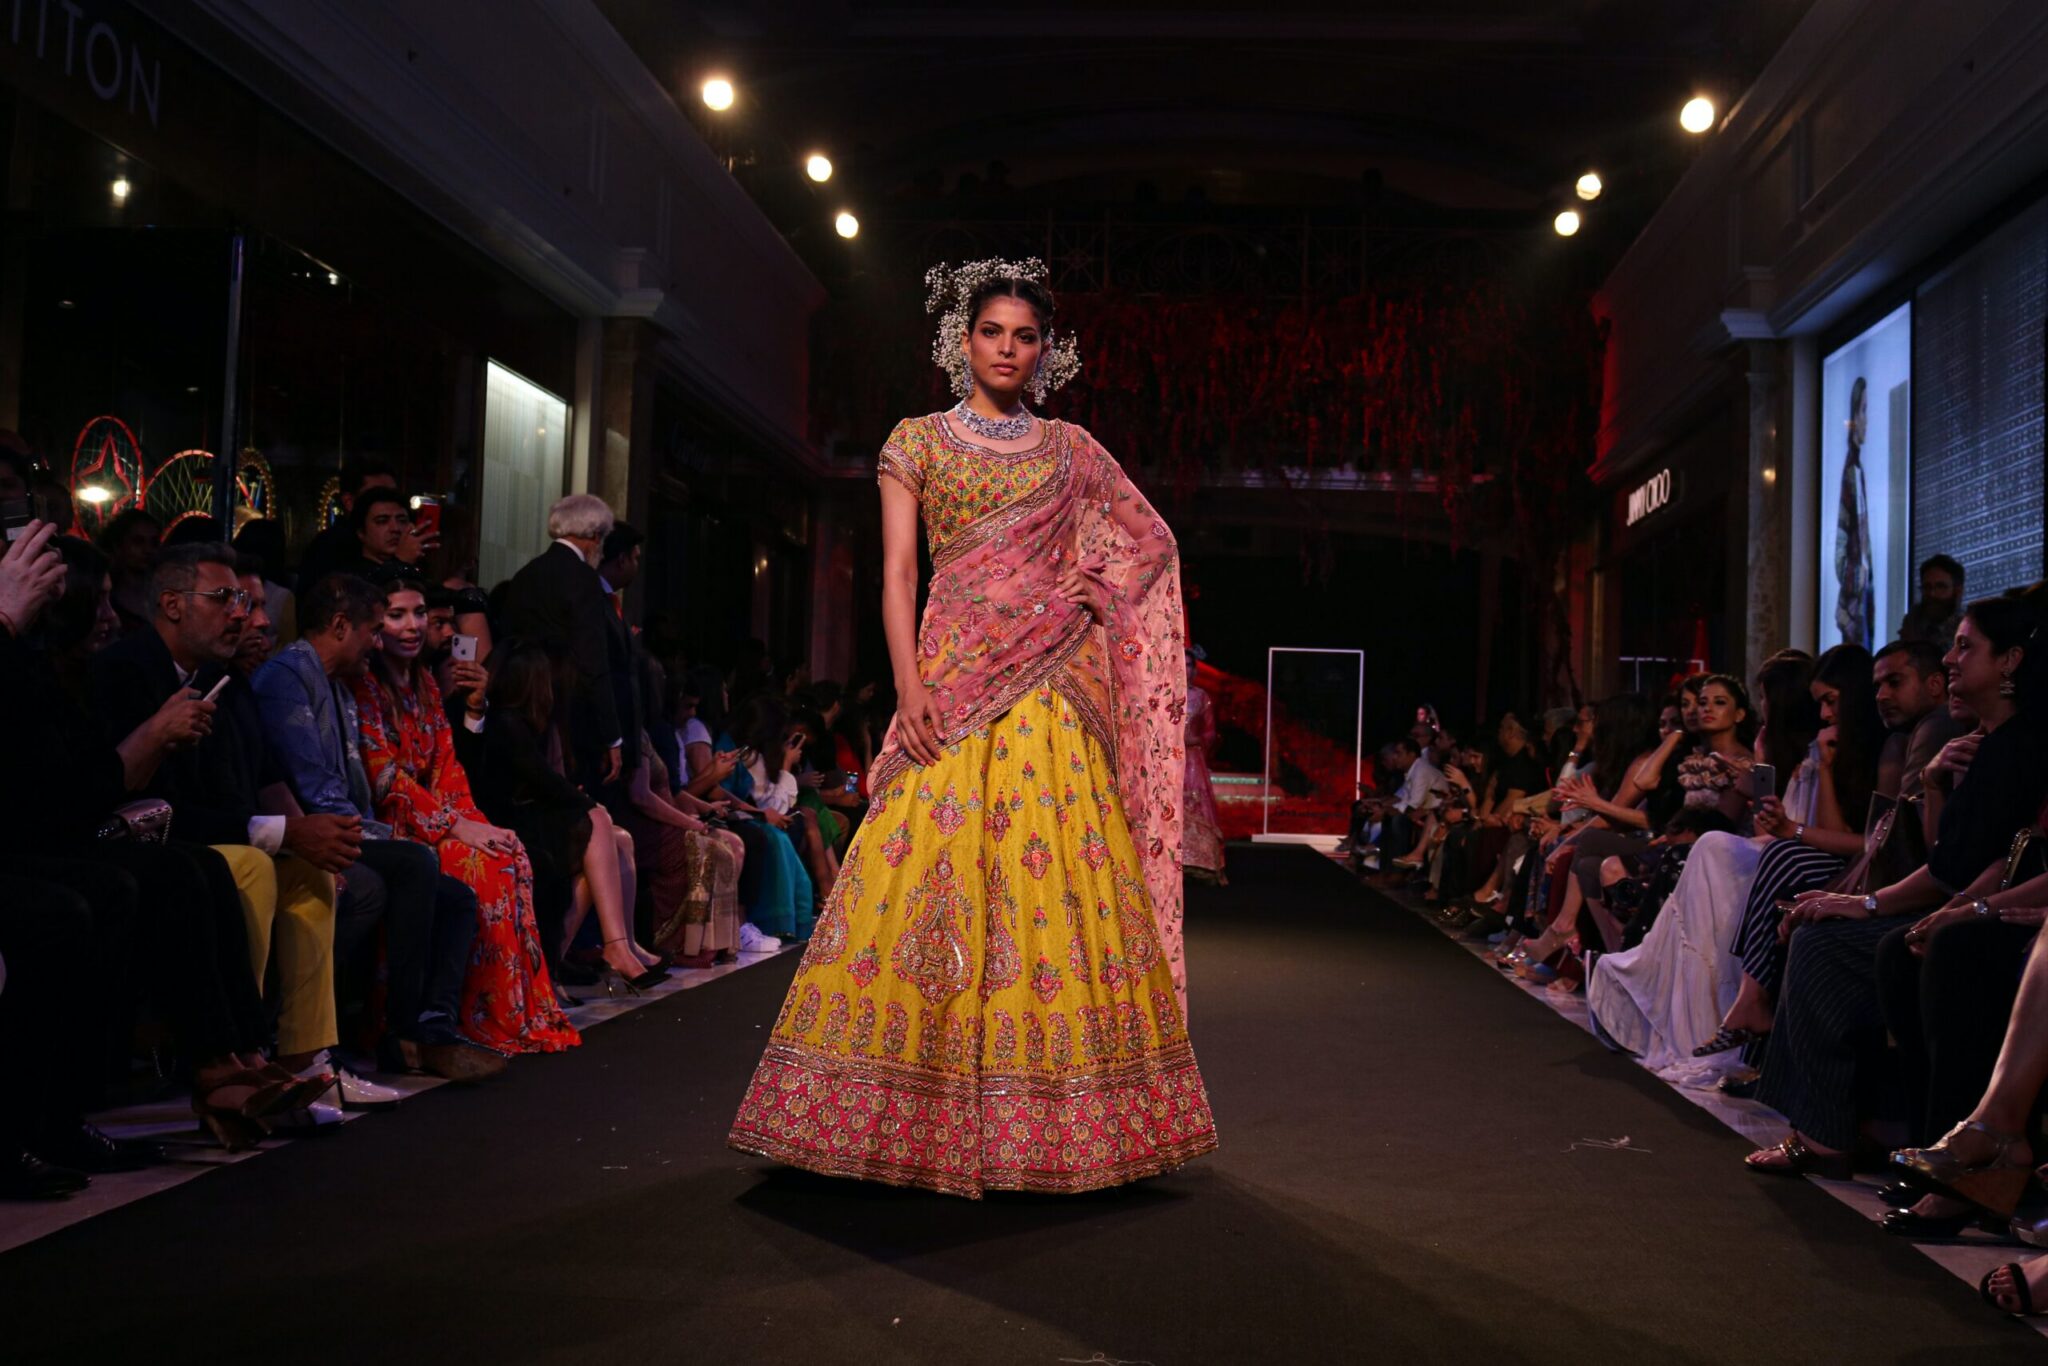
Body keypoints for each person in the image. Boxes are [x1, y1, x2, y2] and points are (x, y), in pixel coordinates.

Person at [727, 258, 1218, 1196]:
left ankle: (1065, 1126)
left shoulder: (1073, 450)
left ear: (1046, 351)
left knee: (1056, 889)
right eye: (992, 332)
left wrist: (1098, 586)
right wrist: (907, 687)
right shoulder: (914, 443)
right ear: (964, 341)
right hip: (949, 683)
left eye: (1025, 336)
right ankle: (897, 1112)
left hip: (1050, 692)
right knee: (919, 873)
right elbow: (899, 574)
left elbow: (1153, 537)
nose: (1007, 348)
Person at [1746, 593, 2048, 1178]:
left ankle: (1843, 1131)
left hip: (2001, 910)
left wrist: (1874, 902)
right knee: (1824, 922)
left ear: (2009, 662)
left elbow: (1970, 871)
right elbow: (1947, 859)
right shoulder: (1977, 745)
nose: (1953, 661)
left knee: (1831, 944)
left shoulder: (2022, 746)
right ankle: (1868, 1123)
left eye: (1966, 647)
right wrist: (1936, 785)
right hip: (1967, 900)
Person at [90, 543, 397, 1118]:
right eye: (225, 598)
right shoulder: (125, 670)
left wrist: (309, 835)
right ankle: (237, 1052)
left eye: (245, 600)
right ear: (173, 604)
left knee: (312, 868)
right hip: (150, 840)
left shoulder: (219, 679)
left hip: (221, 832)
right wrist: (284, 833)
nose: (242, 614)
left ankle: (308, 1059)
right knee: (251, 863)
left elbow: (267, 777)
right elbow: (144, 801)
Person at [252, 573, 505, 1082]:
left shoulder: (341, 684)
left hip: (344, 825)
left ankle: (433, 1026)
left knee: (455, 897)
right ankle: (400, 1032)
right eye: (374, 627)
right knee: (414, 862)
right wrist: (388, 835)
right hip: (304, 831)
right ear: (341, 625)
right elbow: (313, 785)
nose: (378, 639)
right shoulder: (287, 677)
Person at [350, 570, 580, 1054]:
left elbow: (448, 765)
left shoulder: (428, 687)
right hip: (392, 823)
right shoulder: (364, 685)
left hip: (438, 814)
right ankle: (461, 1013)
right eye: (397, 615)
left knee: (507, 854)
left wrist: (471, 823)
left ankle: (502, 1011)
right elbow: (384, 778)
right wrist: (454, 826)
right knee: (483, 866)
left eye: (419, 614)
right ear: (375, 623)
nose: (413, 626)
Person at [469, 641, 667, 989]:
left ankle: (607, 947)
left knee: (615, 838)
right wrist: (587, 805)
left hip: (530, 818)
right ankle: (613, 948)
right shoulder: (507, 724)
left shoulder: (526, 726)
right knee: (599, 822)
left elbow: (548, 782)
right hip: (511, 824)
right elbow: (541, 782)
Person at [500, 494, 624, 791]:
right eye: (603, 539)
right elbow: (593, 659)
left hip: (520, 704)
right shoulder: (582, 578)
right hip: (570, 711)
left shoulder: (526, 574)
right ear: (594, 536)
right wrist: (612, 735)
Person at [1833, 375, 1875, 650]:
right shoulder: (1850, 472)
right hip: (1855, 598)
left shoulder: (1858, 469)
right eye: (1862, 411)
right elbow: (1840, 543)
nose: (1865, 420)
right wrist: (1858, 577)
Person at [1183, 647, 1227, 885]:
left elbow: (1210, 732)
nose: (1186, 669)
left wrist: (1197, 741)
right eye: (1182, 664)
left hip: (1193, 758)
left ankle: (1202, 863)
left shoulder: (1201, 697)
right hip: (1170, 759)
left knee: (1196, 804)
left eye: (1190, 665)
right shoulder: (1164, 693)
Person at [95, 507, 161, 637]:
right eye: (138, 542)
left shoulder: (162, 593)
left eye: (154, 542)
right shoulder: (104, 593)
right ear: (118, 545)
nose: (148, 550)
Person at [1898, 553, 1965, 647]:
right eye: (1927, 587)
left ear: (1958, 591)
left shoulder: (1968, 628)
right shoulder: (1913, 622)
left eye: (1941, 587)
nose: (1932, 594)